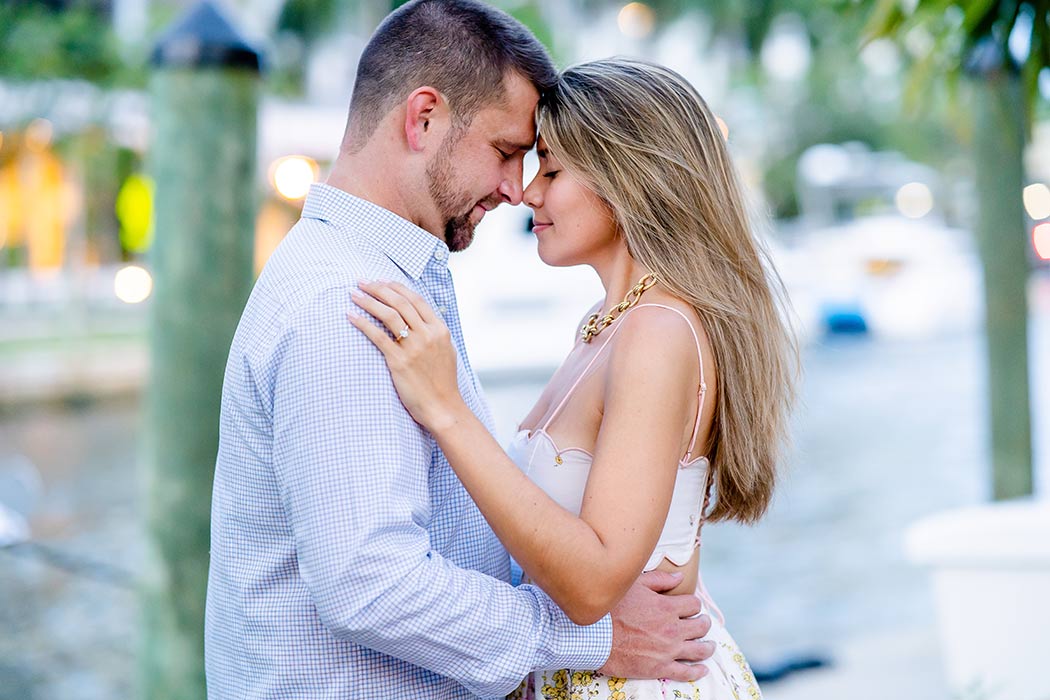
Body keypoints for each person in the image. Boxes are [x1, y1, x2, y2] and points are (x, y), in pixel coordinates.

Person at [204, 3, 715, 699]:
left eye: (539, 165)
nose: (516, 189)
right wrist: (588, 639)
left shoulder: (392, 277)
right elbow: (370, 584)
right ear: (422, 120)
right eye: (507, 152)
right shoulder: (343, 305)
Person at [349, 57, 798, 699]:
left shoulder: (656, 333)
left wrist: (445, 410)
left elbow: (592, 581)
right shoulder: (608, 322)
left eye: (552, 171)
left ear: (630, 182)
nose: (529, 193)